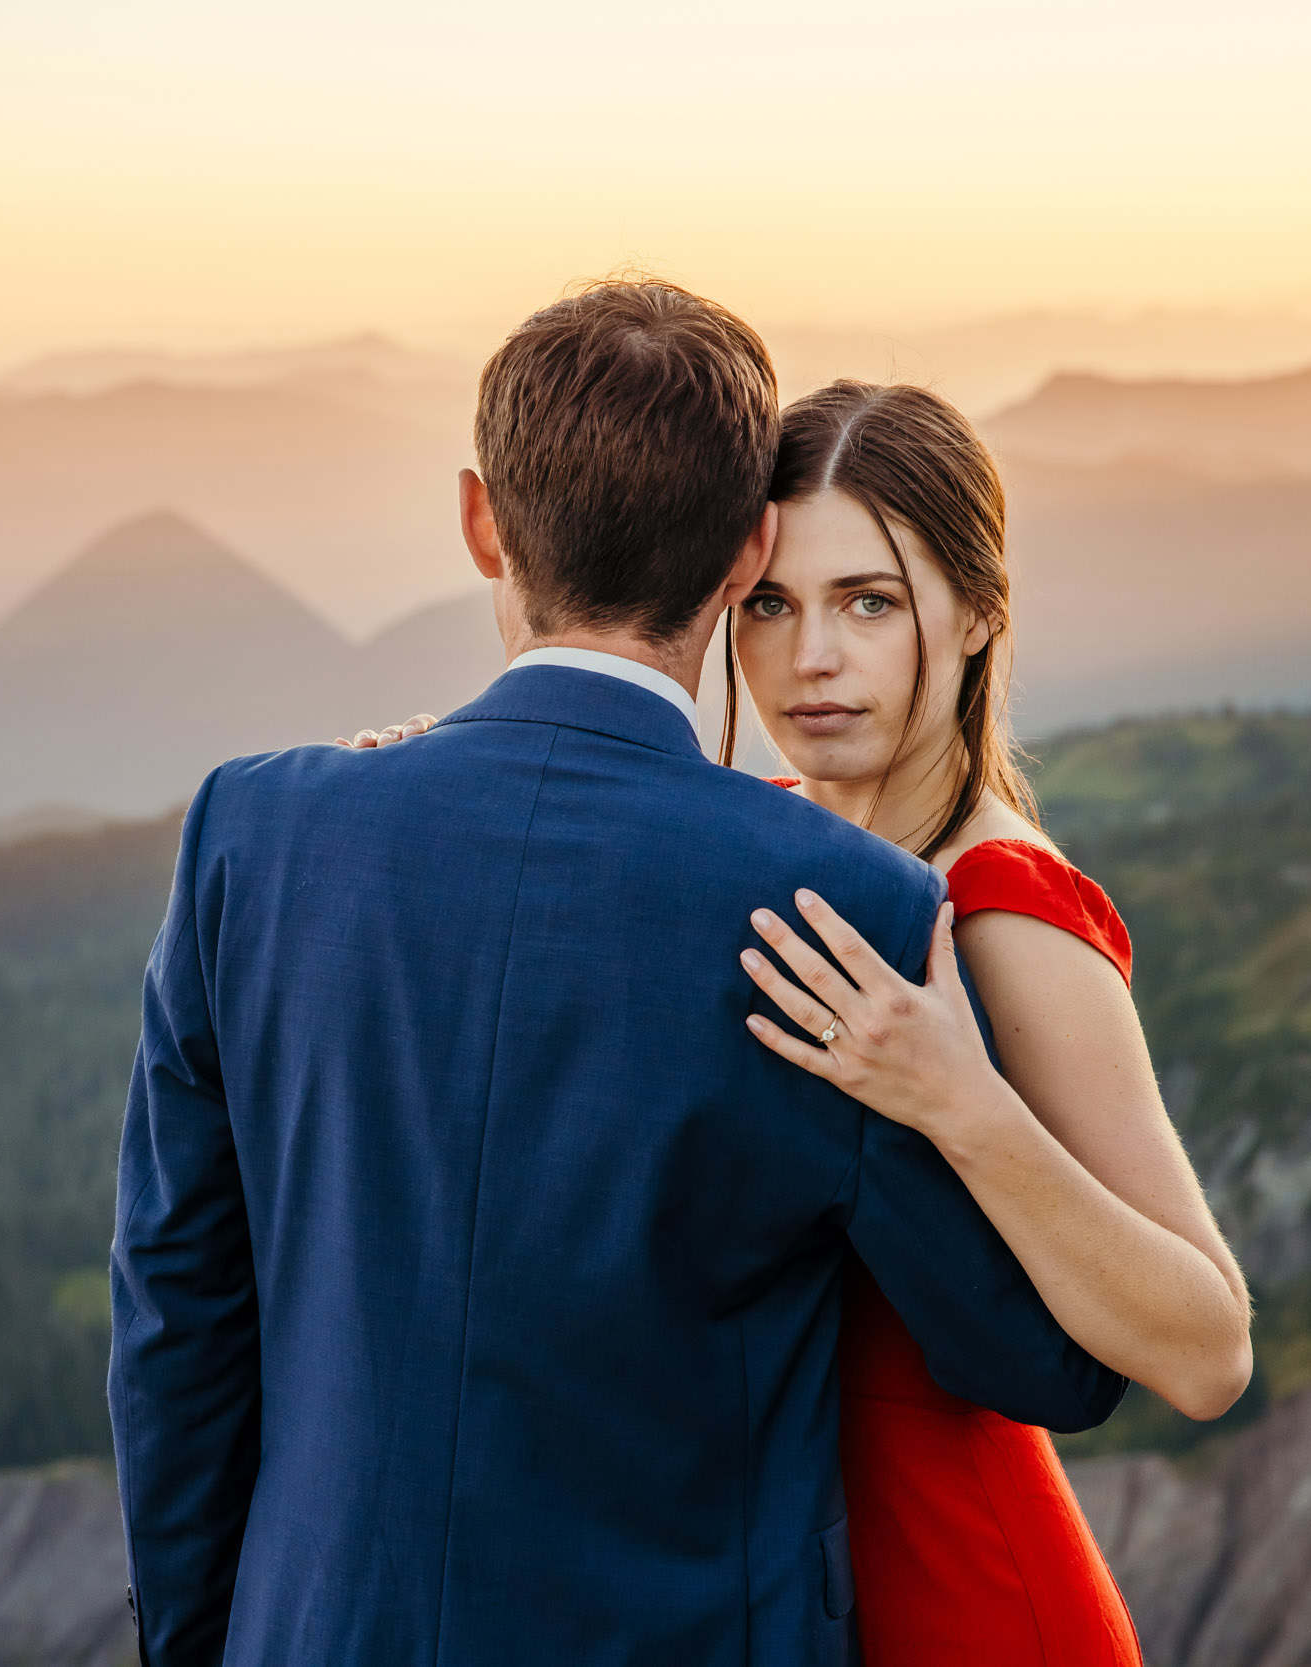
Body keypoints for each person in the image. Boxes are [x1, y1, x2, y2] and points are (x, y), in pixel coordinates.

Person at [109, 281, 1126, 1667]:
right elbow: (1038, 1361)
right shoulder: (846, 910)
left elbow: (178, 1308)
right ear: (745, 549)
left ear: (481, 520)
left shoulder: (256, 831)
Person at [348, 380, 1253, 1666]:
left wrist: (962, 1098)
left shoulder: (1004, 913)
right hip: (753, 1580)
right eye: (771, 605)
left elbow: (1208, 1348)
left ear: (979, 610)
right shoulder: (762, 826)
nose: (811, 658)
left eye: (868, 603)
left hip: (954, 1589)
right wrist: (422, 790)